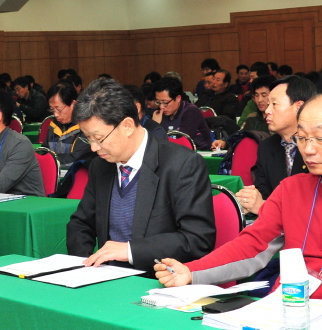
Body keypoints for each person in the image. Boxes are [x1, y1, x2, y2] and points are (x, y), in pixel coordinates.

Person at [155, 93, 322, 314]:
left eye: (320, 139)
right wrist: (190, 271)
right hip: (287, 310)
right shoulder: (291, 189)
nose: (309, 149)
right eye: (301, 138)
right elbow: (252, 245)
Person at [67, 79, 215, 268]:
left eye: (99, 138)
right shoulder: (101, 166)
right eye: (88, 139)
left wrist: (129, 250)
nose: (94, 148)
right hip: (108, 279)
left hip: (158, 281)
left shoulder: (182, 165)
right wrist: (84, 267)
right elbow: (81, 224)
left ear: (127, 126)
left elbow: (197, 239)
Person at [236, 75, 317, 215]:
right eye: (268, 105)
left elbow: (317, 204)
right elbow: (263, 194)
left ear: (299, 107)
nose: (267, 111)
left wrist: (264, 207)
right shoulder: (267, 147)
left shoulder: (321, 147)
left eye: (274, 104)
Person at [152, 76, 212, 150]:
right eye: (158, 102)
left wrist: (157, 126)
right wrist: (154, 124)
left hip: (200, 153)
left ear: (178, 98)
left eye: (165, 102)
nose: (161, 107)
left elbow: (181, 142)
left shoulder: (191, 112)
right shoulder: (160, 114)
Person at [44, 84, 88, 164]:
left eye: (58, 109)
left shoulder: (85, 128)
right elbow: (44, 152)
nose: (55, 114)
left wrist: (50, 160)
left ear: (73, 104)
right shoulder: (53, 126)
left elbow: (76, 158)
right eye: (52, 109)